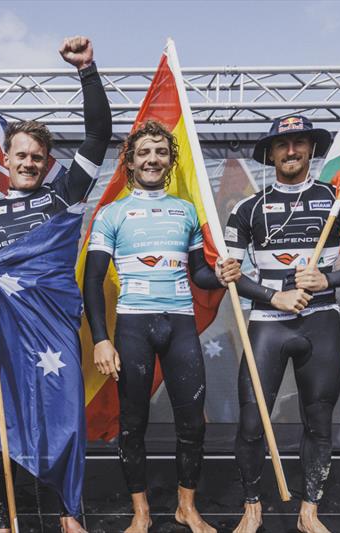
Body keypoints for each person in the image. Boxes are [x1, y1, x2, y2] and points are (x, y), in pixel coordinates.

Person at [0, 35, 111, 533]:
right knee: (5, 427)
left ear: (47, 163)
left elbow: (98, 136)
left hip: (55, 332)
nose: (27, 162)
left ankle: (71, 513)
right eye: (19, 154)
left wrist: (87, 72)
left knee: (64, 420)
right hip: (7, 336)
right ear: (5, 158)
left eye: (37, 156)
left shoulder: (64, 197)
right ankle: (6, 516)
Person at [226, 115, 340, 533]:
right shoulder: (248, 208)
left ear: (312, 149)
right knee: (250, 423)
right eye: (283, 145)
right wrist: (272, 296)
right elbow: (220, 274)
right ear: (270, 153)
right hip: (267, 323)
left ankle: (309, 510)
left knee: (318, 421)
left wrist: (328, 279)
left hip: (320, 323)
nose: (292, 151)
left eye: (300, 143)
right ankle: (252, 506)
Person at [83, 120, 241, 533]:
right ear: (131, 162)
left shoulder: (185, 210)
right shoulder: (112, 213)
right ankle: (141, 512)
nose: (152, 158)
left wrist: (220, 274)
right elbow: (92, 279)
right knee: (132, 424)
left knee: (192, 423)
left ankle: (186, 508)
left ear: (171, 160)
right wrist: (101, 339)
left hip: (180, 324)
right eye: (144, 152)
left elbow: (200, 276)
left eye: (161, 152)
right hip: (134, 326)